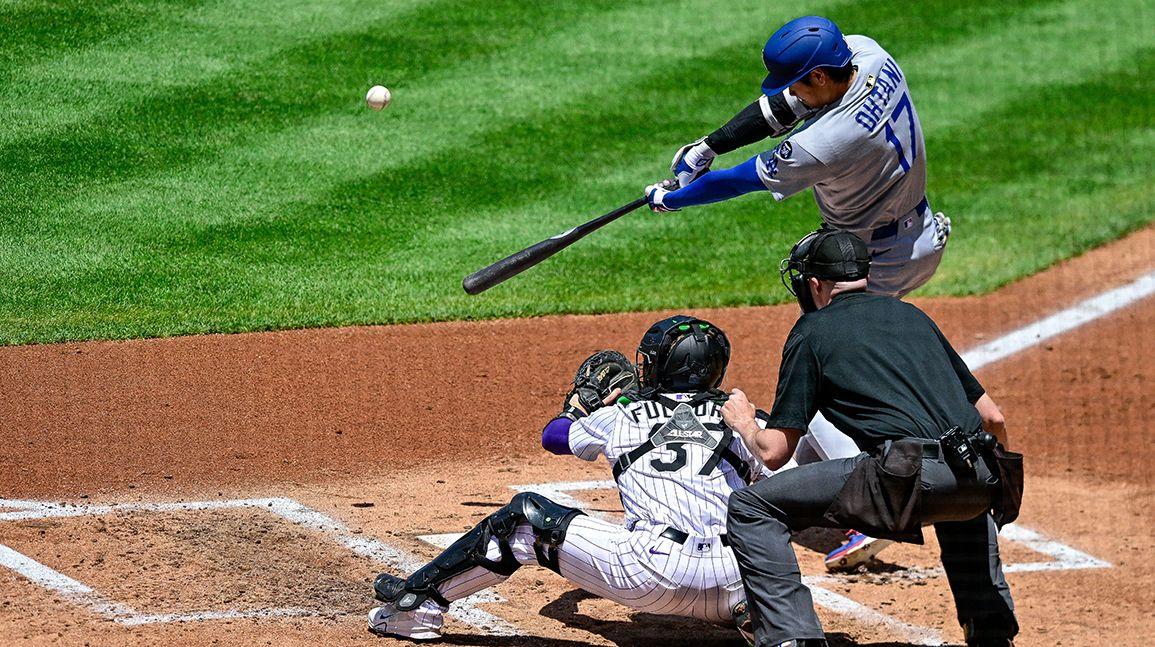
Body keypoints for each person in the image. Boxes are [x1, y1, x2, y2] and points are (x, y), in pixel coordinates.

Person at [645, 15, 953, 569]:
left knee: (820, 363)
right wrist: (708, 145)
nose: (789, 94)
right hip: (908, 234)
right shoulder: (867, 53)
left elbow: (745, 179)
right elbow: (784, 107)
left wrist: (674, 198)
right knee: (825, 371)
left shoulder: (831, 141)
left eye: (797, 82)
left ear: (817, 75)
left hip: (876, 258)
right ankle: (820, 479)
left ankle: (877, 504)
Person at [368, 316, 772, 642]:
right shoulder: (749, 422)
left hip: (650, 577)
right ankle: (754, 614)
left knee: (525, 519)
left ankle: (415, 607)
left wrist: (581, 408)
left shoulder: (620, 416)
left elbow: (553, 437)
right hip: (740, 578)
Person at [720, 228, 1021, 647]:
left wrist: (745, 422)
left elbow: (774, 452)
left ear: (814, 284)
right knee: (962, 494)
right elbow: (992, 417)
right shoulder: (914, 316)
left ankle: (793, 638)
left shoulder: (812, 331)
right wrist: (993, 482)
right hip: (978, 475)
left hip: (904, 479)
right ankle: (991, 635)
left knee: (752, 507)